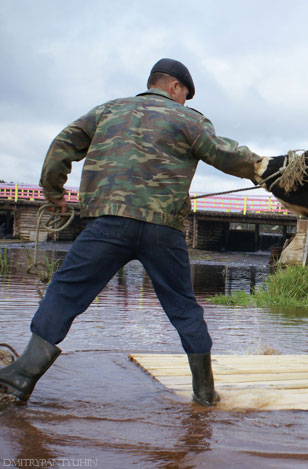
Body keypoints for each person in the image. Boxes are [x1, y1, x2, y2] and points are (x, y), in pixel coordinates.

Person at [0, 58, 260, 406]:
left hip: (107, 225)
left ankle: (21, 375)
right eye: (186, 94)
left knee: (64, 294)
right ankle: (205, 396)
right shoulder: (190, 120)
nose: (185, 101)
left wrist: (53, 192)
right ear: (174, 87)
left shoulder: (107, 111)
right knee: (184, 308)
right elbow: (227, 154)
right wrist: (271, 171)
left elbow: (62, 144)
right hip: (162, 230)